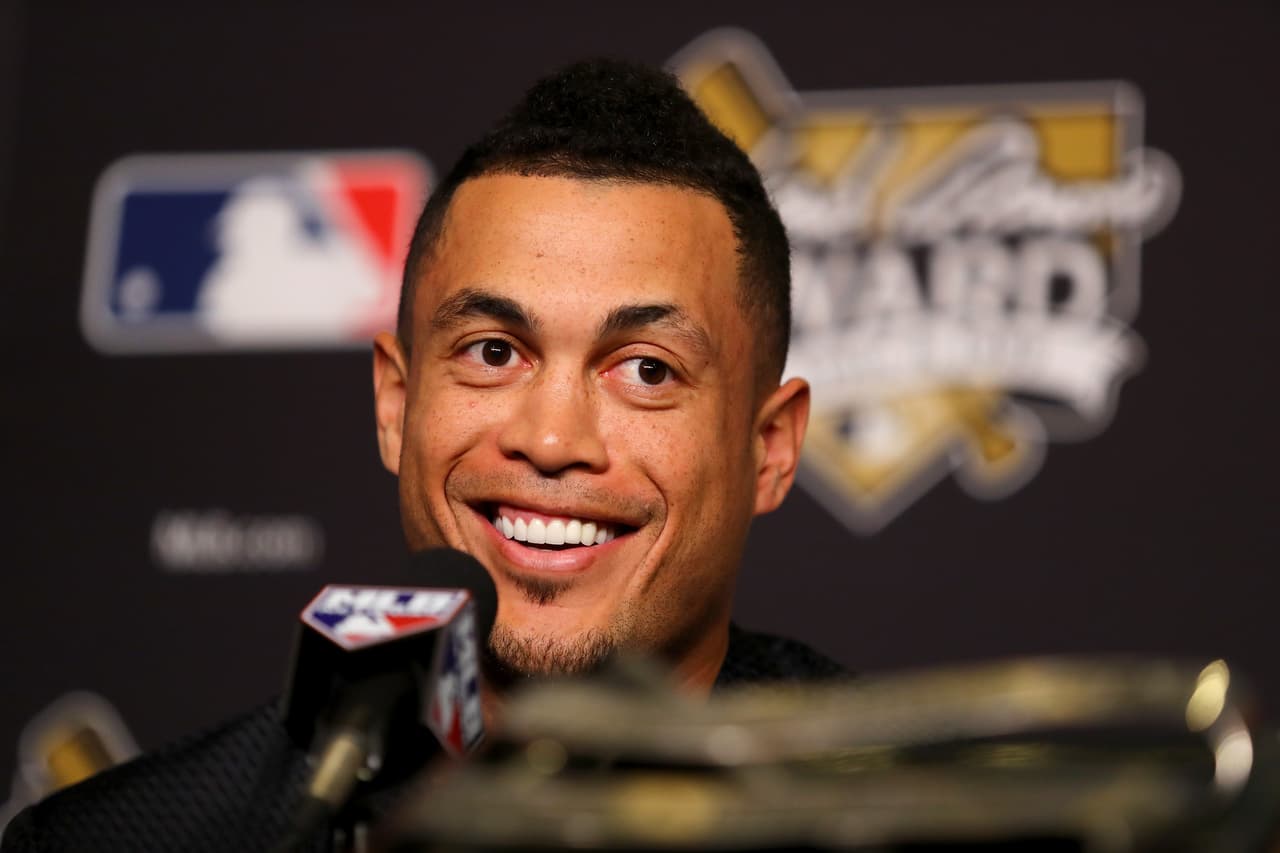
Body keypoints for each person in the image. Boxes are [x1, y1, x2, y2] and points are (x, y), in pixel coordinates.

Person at [1, 58, 846, 853]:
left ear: (769, 449)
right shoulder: (136, 839)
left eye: (646, 370)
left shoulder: (919, 810)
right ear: (395, 408)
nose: (551, 440)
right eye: (491, 352)